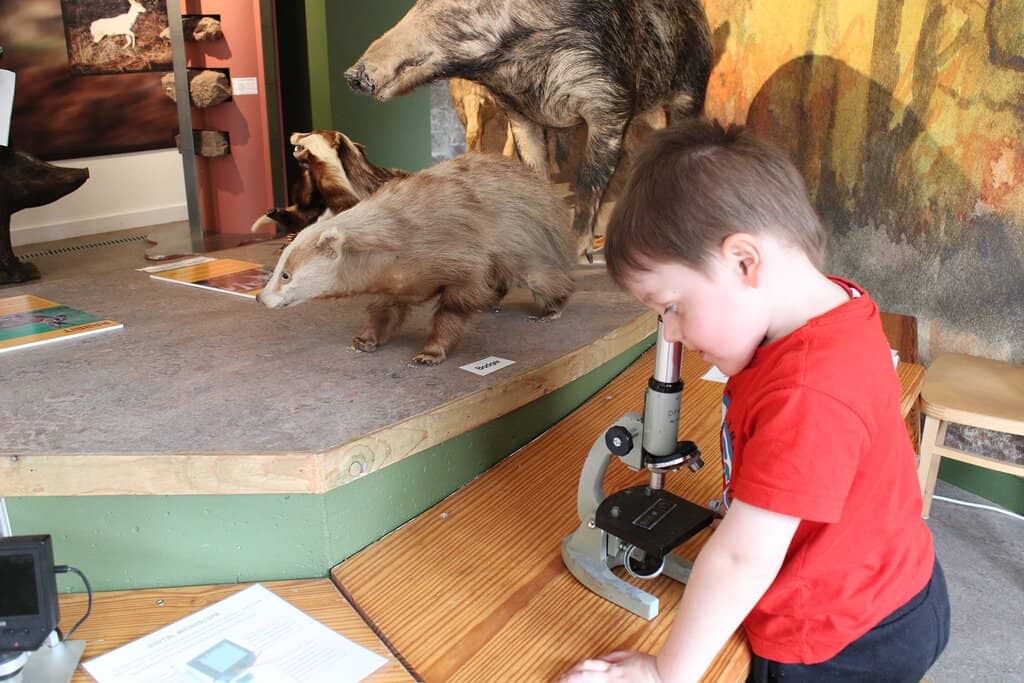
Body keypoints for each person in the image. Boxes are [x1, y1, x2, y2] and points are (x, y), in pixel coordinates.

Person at [556, 120, 949, 683]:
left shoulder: (807, 392)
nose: (670, 332)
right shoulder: (833, 309)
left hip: (839, 639)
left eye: (671, 305)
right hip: (895, 585)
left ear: (744, 262)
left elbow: (745, 559)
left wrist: (666, 672)